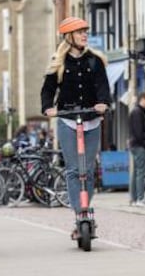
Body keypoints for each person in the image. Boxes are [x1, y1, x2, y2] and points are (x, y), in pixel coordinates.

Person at [40, 16, 110, 238]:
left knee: (87, 171)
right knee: (73, 170)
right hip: (68, 119)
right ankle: (79, 215)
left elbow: (103, 86)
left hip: (91, 119)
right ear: (69, 36)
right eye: (80, 32)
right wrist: (47, 108)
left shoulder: (95, 61)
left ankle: (86, 211)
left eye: (85, 31)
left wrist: (103, 103)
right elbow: (48, 89)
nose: (84, 35)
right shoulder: (58, 62)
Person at [128, 91, 145, 207]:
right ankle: (140, 199)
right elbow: (139, 132)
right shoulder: (138, 113)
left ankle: (134, 199)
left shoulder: (137, 112)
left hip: (135, 145)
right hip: (139, 146)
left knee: (136, 172)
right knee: (140, 172)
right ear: (142, 99)